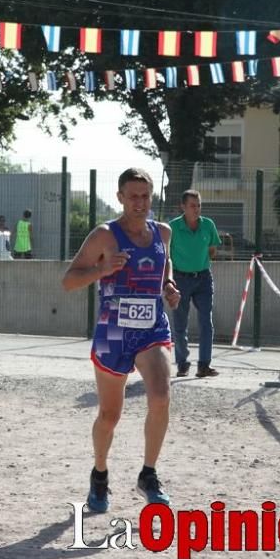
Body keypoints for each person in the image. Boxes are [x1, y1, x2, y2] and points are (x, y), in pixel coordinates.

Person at [62, 167, 181, 511]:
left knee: (160, 396)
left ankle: (148, 474)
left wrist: (168, 285)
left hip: (152, 327)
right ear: (120, 197)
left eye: (145, 196)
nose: (140, 203)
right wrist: (103, 269)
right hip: (113, 331)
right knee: (110, 416)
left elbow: (165, 264)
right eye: (133, 196)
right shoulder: (104, 235)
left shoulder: (163, 232)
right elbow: (68, 280)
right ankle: (100, 474)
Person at [169, 189, 222, 378]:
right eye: (192, 205)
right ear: (182, 207)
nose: (197, 209)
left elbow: (212, 250)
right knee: (180, 324)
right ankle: (182, 363)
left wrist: (198, 264)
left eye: (199, 205)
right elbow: (166, 255)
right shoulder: (172, 228)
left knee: (206, 322)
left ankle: (204, 365)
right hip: (179, 279)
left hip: (203, 278)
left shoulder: (208, 225)